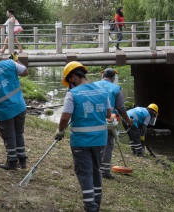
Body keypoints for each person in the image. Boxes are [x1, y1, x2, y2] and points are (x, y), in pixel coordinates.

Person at [55, 61, 111, 212]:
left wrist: (60, 132)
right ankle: (96, 202)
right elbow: (108, 114)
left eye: (69, 81)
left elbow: (65, 117)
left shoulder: (72, 94)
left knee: (84, 172)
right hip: (100, 140)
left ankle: (90, 206)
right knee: (96, 170)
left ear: (73, 77)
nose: (69, 85)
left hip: (81, 141)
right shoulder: (102, 91)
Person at [94, 68, 133, 179]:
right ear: (113, 78)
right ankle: (105, 171)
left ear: (102, 76)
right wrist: (128, 120)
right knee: (108, 143)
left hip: (93, 117)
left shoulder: (93, 85)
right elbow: (121, 108)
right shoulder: (116, 89)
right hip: (109, 119)